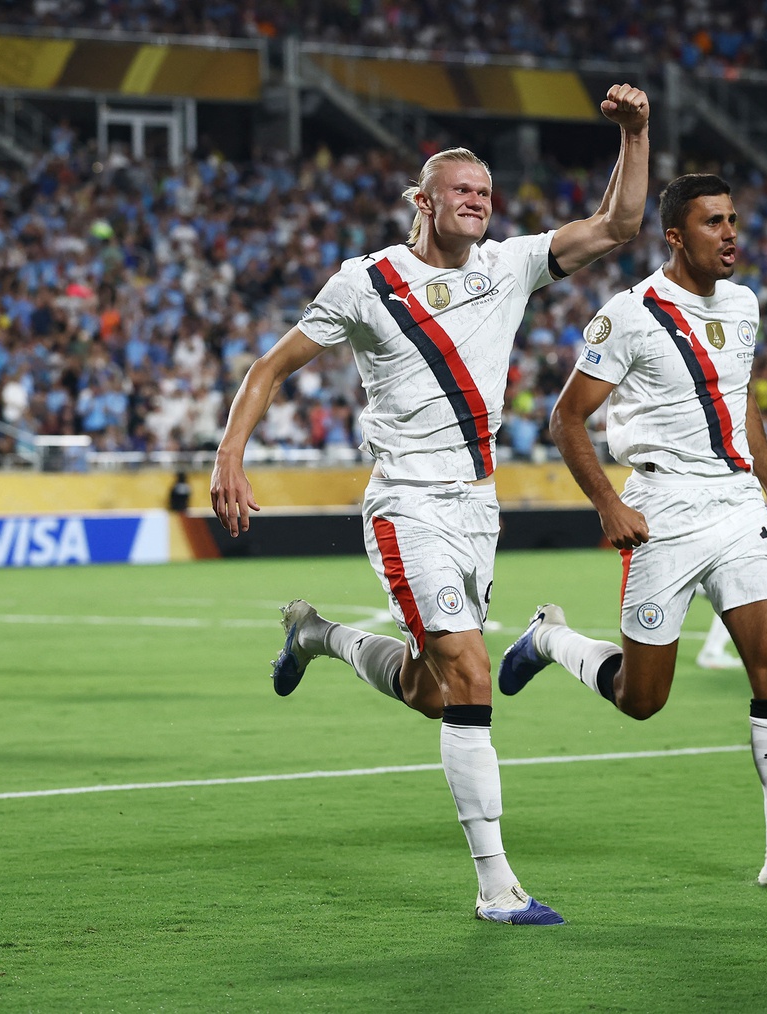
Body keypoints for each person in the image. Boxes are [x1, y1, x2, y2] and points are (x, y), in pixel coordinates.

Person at [209, 84, 651, 926]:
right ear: (424, 201)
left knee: (432, 691)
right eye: (463, 192)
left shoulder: (509, 265)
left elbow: (617, 227)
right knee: (470, 677)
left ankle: (318, 635)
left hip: (476, 511)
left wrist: (635, 134)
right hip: (405, 506)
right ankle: (496, 886)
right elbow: (268, 369)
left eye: (486, 193)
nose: (480, 203)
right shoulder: (367, 281)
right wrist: (230, 454)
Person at [498, 174, 767, 894]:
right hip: (661, 510)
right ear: (676, 237)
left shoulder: (745, 306)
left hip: (735, 509)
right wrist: (607, 504)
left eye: (733, 220)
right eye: (713, 222)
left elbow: (740, 399)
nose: (730, 234)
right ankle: (549, 639)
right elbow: (565, 418)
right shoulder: (629, 315)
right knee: (641, 698)